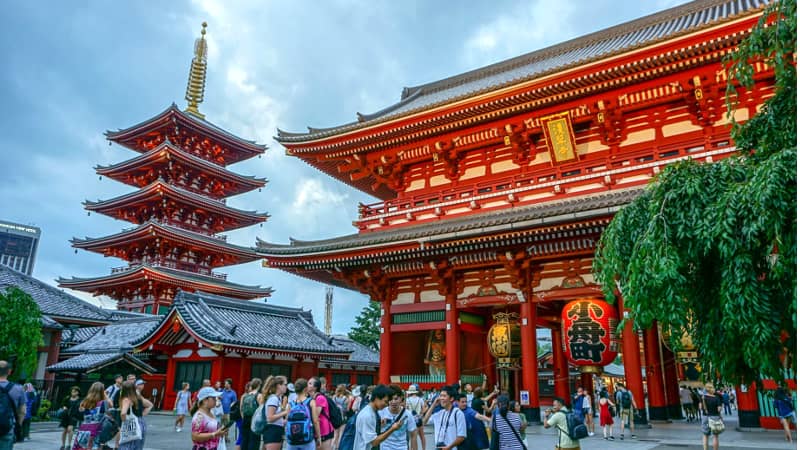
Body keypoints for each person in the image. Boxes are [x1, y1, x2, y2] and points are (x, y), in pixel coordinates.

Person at [353, 385, 403, 450]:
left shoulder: (372, 412)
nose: (386, 405)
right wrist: (392, 429)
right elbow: (374, 442)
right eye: (385, 401)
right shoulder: (367, 415)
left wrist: (378, 425)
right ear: (377, 398)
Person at [378, 385, 416, 450]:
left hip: (402, 447)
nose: (393, 402)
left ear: (401, 398)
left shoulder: (407, 414)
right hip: (385, 447)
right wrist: (379, 425)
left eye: (396, 399)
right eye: (390, 399)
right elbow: (373, 434)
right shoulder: (381, 412)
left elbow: (413, 435)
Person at [78, 382, 112, 450]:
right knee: (96, 446)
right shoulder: (103, 402)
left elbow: (80, 411)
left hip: (85, 429)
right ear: (102, 391)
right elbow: (111, 405)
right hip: (97, 429)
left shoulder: (85, 401)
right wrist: (105, 395)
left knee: (85, 447)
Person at [119, 380, 153, 450]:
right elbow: (150, 405)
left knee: (127, 445)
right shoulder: (138, 397)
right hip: (141, 423)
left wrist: (124, 421)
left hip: (131, 423)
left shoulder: (127, 399)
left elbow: (123, 413)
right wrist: (142, 415)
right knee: (138, 445)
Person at [286, 378, 319, 450]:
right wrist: (319, 437)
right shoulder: (311, 402)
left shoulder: (290, 404)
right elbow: (316, 421)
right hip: (307, 439)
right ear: (305, 389)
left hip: (292, 440)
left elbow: (286, 421)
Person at [0, 361, 25, 450]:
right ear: (9, 371)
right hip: (7, 428)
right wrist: (18, 425)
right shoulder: (18, 389)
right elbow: (22, 412)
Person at [261, 375, 288, 450]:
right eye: (285, 384)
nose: (286, 387)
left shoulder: (276, 398)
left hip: (274, 430)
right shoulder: (274, 399)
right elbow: (270, 418)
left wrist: (284, 421)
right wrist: (285, 412)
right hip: (273, 431)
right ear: (279, 385)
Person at [309, 377, 335, 450]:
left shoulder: (320, 398)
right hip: (316, 429)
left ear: (315, 387)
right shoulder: (311, 398)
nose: (307, 385)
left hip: (324, 429)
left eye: (310, 383)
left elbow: (315, 416)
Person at [699, 382, 723, 450]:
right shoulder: (717, 398)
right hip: (715, 417)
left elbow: (700, 407)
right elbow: (719, 409)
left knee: (705, 435)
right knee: (715, 436)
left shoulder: (703, 397)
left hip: (705, 417)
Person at [405, 384, 427, 450]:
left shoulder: (407, 400)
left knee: (413, 436)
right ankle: (424, 449)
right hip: (419, 419)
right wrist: (420, 414)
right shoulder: (420, 399)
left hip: (411, 419)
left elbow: (406, 410)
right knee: (422, 435)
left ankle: (413, 449)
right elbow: (424, 409)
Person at [220, 378, 238, 443]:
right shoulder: (221, 391)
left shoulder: (233, 393)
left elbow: (235, 401)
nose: (225, 385)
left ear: (230, 385)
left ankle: (226, 437)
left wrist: (231, 405)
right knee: (219, 424)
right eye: (225, 383)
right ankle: (219, 437)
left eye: (226, 384)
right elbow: (216, 398)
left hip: (228, 412)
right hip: (220, 412)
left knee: (226, 425)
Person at [332, 384, 349, 450]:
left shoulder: (334, 397)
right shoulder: (345, 399)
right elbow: (347, 409)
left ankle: (332, 447)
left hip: (335, 417)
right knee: (341, 433)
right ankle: (338, 447)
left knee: (335, 433)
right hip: (343, 417)